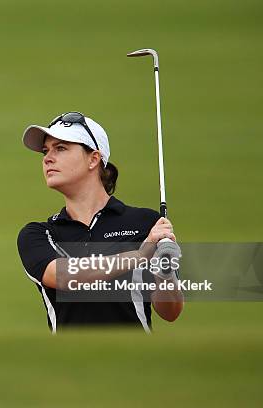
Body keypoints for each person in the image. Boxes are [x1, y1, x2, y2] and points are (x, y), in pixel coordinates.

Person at [17, 112, 183, 333]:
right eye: (46, 151)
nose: (47, 158)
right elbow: (63, 276)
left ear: (93, 159)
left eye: (61, 148)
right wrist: (139, 256)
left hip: (136, 362)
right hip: (69, 365)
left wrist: (165, 271)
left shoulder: (146, 224)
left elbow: (170, 312)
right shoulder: (39, 234)